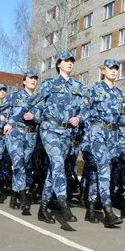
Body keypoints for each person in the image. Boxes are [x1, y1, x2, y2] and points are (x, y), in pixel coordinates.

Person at [36, 50, 84, 223]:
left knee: (54, 170)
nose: (70, 63)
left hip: (66, 133)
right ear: (58, 64)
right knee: (57, 164)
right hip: (50, 130)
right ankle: (63, 203)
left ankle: (42, 208)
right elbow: (36, 105)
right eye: (66, 61)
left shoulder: (78, 87)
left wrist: (79, 117)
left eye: (72, 61)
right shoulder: (49, 84)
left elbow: (84, 108)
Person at [79, 59, 125, 227]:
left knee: (97, 172)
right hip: (97, 131)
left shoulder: (120, 93)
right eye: (110, 68)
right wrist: (87, 134)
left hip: (112, 134)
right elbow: (84, 111)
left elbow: (122, 118)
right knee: (104, 169)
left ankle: (91, 208)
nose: (114, 71)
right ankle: (108, 211)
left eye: (116, 68)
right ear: (103, 71)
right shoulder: (94, 89)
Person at [4, 71, 41, 216]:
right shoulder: (15, 96)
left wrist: (34, 116)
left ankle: (14, 194)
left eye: (36, 79)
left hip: (31, 134)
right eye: (31, 78)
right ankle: (24, 199)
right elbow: (4, 111)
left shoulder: (40, 98)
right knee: (18, 163)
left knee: (24, 164)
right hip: (16, 133)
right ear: (24, 81)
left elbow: (44, 115)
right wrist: (7, 122)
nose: (34, 80)